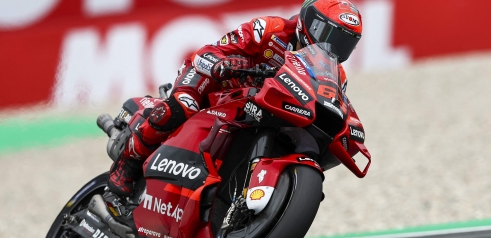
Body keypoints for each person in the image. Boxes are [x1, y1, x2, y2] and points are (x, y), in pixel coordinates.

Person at [108, 0, 363, 197]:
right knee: (183, 106)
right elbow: (212, 50)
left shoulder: (336, 75)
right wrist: (223, 63)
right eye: (329, 35)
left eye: (343, 44)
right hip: (216, 82)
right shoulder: (271, 30)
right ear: (310, 23)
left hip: (257, 106)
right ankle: (127, 164)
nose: (334, 48)